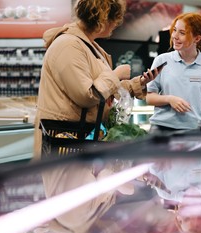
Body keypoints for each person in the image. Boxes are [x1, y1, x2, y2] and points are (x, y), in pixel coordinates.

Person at [33, 0, 158, 159]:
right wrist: (116, 74)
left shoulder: (89, 47)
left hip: (81, 138)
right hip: (64, 140)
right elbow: (87, 95)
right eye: (114, 19)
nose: (116, 25)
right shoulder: (68, 46)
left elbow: (105, 91)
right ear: (102, 19)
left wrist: (138, 84)